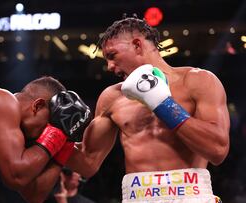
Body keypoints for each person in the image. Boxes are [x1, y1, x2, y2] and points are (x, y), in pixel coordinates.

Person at [67, 14, 230, 203]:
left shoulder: (198, 81)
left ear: (137, 45)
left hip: (191, 196)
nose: (110, 66)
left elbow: (218, 150)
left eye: (112, 56)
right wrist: (51, 136)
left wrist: (162, 104)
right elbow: (88, 162)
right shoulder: (112, 97)